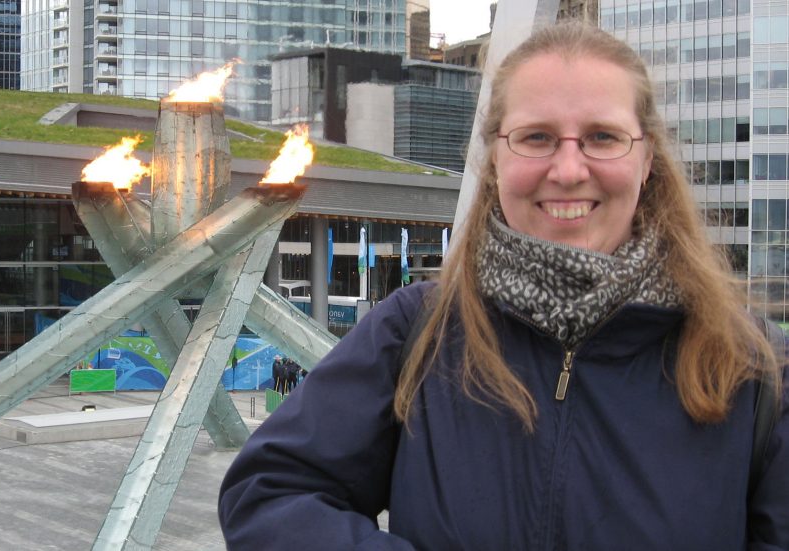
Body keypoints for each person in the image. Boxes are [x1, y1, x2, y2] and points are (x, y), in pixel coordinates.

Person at [219, 23, 788, 549]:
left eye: (603, 137)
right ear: (493, 160)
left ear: (647, 161)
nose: (568, 169)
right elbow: (269, 492)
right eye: (537, 137)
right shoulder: (415, 331)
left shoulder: (755, 368)